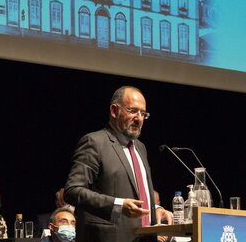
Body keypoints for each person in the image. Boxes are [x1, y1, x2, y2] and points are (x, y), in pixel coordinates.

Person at [64, 86, 173, 242]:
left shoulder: (140, 148)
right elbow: (73, 191)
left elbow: (138, 193)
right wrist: (118, 205)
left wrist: (154, 210)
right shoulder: (95, 142)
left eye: (143, 114)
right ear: (114, 111)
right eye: (133, 111)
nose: (139, 118)